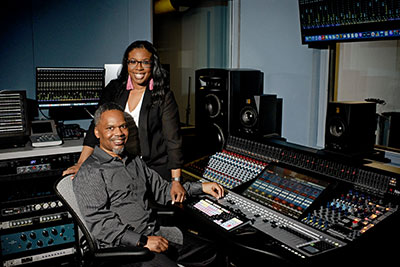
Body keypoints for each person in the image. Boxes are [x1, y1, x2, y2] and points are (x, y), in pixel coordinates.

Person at [73, 102, 224, 266]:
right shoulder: (90, 171)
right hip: (126, 248)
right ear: (97, 132)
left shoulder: (133, 161)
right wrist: (142, 241)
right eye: (110, 128)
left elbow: (164, 190)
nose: (119, 133)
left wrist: (201, 187)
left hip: (153, 232)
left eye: (122, 126)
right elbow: (101, 225)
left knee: (211, 251)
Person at [64, 40, 186, 202]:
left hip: (154, 167)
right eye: (133, 62)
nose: (139, 68)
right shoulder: (114, 89)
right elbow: (97, 127)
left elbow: (173, 140)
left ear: (153, 65)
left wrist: (176, 181)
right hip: (121, 166)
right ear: (127, 64)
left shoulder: (163, 95)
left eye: (145, 62)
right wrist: (81, 163)